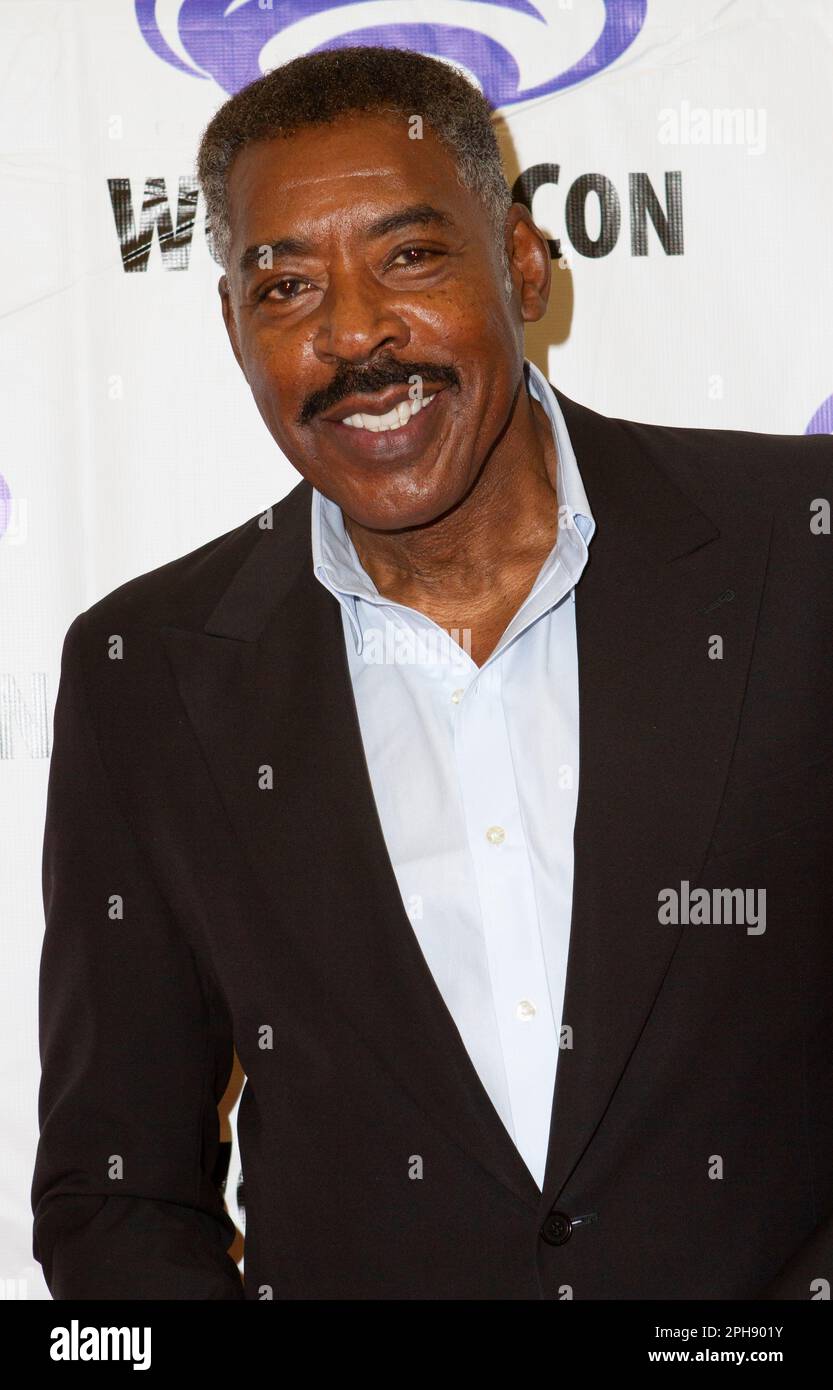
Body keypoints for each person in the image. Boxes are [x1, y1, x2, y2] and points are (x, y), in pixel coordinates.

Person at [32, 45, 832, 1300]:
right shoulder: (149, 673)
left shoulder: (801, 553)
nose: (353, 333)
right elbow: (118, 1185)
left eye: (409, 256)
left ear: (521, 261)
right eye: (285, 284)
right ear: (233, 327)